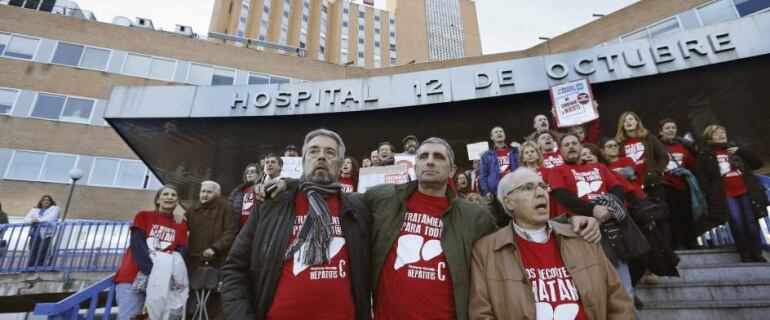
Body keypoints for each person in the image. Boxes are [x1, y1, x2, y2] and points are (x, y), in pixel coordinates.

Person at [263, 136, 601, 320]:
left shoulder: (475, 217)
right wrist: (292, 184)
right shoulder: (382, 199)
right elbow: (332, 193)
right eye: (423, 156)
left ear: (452, 168)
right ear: (414, 164)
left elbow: (518, 234)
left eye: (438, 157)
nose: (429, 162)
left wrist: (569, 220)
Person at [222, 129, 372, 319]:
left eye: (330, 153)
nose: (321, 157)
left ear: (341, 164)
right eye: (314, 151)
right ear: (304, 161)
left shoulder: (358, 210)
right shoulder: (271, 205)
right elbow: (234, 268)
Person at [469, 168, 634, 319]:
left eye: (542, 186)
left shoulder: (583, 236)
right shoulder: (486, 251)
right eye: (528, 188)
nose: (540, 192)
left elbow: (618, 303)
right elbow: (481, 314)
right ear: (508, 202)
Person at [113, 186, 188, 320]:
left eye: (173, 195)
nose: (170, 197)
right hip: (133, 277)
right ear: (158, 200)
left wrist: (165, 276)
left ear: (177, 201)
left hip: (162, 283)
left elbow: (180, 252)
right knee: (130, 316)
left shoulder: (180, 223)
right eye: (165, 194)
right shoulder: (143, 216)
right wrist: (154, 272)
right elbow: (138, 246)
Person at [696, 125, 768, 263]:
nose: (721, 135)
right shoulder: (706, 153)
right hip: (726, 193)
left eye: (723, 132)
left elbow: (757, 164)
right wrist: (710, 191)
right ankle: (744, 253)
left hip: (746, 190)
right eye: (716, 133)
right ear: (709, 138)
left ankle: (756, 251)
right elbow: (701, 175)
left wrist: (741, 151)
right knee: (737, 221)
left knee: (751, 221)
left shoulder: (735, 148)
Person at [186, 180, 240, 319]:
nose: (204, 194)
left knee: (213, 301)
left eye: (209, 192)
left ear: (217, 194)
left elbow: (231, 232)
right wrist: (178, 216)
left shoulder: (226, 208)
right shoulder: (192, 210)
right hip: (194, 260)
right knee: (191, 298)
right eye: (203, 191)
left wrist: (215, 248)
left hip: (218, 261)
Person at [659, 119, 699, 249]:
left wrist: (686, 171)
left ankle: (691, 242)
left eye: (673, 128)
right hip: (666, 184)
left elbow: (692, 163)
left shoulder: (683, 147)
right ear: (661, 131)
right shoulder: (657, 146)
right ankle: (677, 243)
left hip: (683, 184)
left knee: (687, 213)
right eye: (667, 128)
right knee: (673, 214)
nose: (671, 130)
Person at [615, 111, 668, 199]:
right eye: (624, 121)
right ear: (622, 125)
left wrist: (657, 172)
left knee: (660, 210)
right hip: (634, 185)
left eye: (631, 119)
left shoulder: (649, 138)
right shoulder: (619, 144)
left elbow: (664, 156)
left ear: (637, 122)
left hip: (654, 183)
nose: (628, 122)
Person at [519, 141, 560, 218]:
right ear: (523, 158)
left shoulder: (549, 171)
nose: (530, 154)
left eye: (532, 151)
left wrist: (542, 189)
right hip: (530, 208)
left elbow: (551, 188)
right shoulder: (520, 175)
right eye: (526, 153)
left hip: (549, 207)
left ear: (538, 155)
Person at [480, 126, 520, 203]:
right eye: (496, 132)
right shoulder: (486, 155)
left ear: (504, 135)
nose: (499, 133)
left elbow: (521, 169)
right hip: (496, 193)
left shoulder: (514, 151)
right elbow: (483, 176)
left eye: (501, 131)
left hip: (514, 189)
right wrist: (486, 191)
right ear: (492, 137)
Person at [24, 195, 60, 268]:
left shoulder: (55, 209)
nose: (46, 201)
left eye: (48, 200)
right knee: (33, 252)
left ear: (51, 202)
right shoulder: (35, 209)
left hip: (46, 235)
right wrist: (32, 220)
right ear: (41, 201)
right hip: (34, 234)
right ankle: (30, 269)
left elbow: (51, 218)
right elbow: (25, 220)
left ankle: (40, 268)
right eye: (44, 200)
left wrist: (37, 220)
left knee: (43, 252)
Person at [227, 163, 261, 227]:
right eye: (247, 172)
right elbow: (228, 210)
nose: (249, 173)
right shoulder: (237, 191)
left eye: (252, 172)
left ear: (258, 174)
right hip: (238, 229)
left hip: (256, 228)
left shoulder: (262, 189)